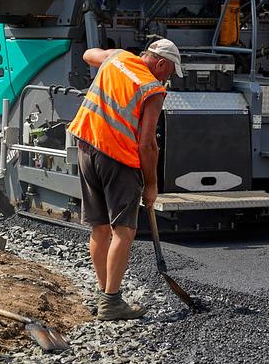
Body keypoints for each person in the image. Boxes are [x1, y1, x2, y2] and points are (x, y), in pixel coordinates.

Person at [68, 39, 183, 320]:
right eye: (170, 71)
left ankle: (104, 294)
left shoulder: (118, 57)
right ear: (161, 63)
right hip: (116, 157)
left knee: (100, 227)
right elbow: (147, 144)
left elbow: (87, 54)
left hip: (86, 147)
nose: (168, 77)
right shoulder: (153, 89)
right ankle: (111, 301)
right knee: (124, 230)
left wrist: (109, 61)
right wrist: (152, 184)